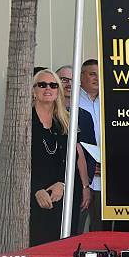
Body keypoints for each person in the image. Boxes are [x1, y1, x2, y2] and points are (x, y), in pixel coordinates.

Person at [55, 65, 96, 234]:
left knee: (74, 235)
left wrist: (85, 187)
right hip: (51, 187)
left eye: (73, 80)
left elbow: (89, 154)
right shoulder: (46, 114)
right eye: (64, 79)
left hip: (78, 188)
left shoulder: (84, 116)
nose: (68, 84)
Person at [30, 69, 68, 246]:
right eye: (42, 84)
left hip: (59, 194)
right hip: (31, 195)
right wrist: (36, 189)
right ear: (33, 90)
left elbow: (70, 158)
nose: (48, 88)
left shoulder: (64, 120)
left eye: (53, 85)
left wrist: (62, 183)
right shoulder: (25, 120)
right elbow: (18, 163)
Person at [78, 59, 108, 231]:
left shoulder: (108, 102)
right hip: (83, 178)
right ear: (82, 77)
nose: (97, 78)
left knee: (101, 231)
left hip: (105, 180)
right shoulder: (72, 103)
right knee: (78, 228)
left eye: (99, 74)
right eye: (92, 74)